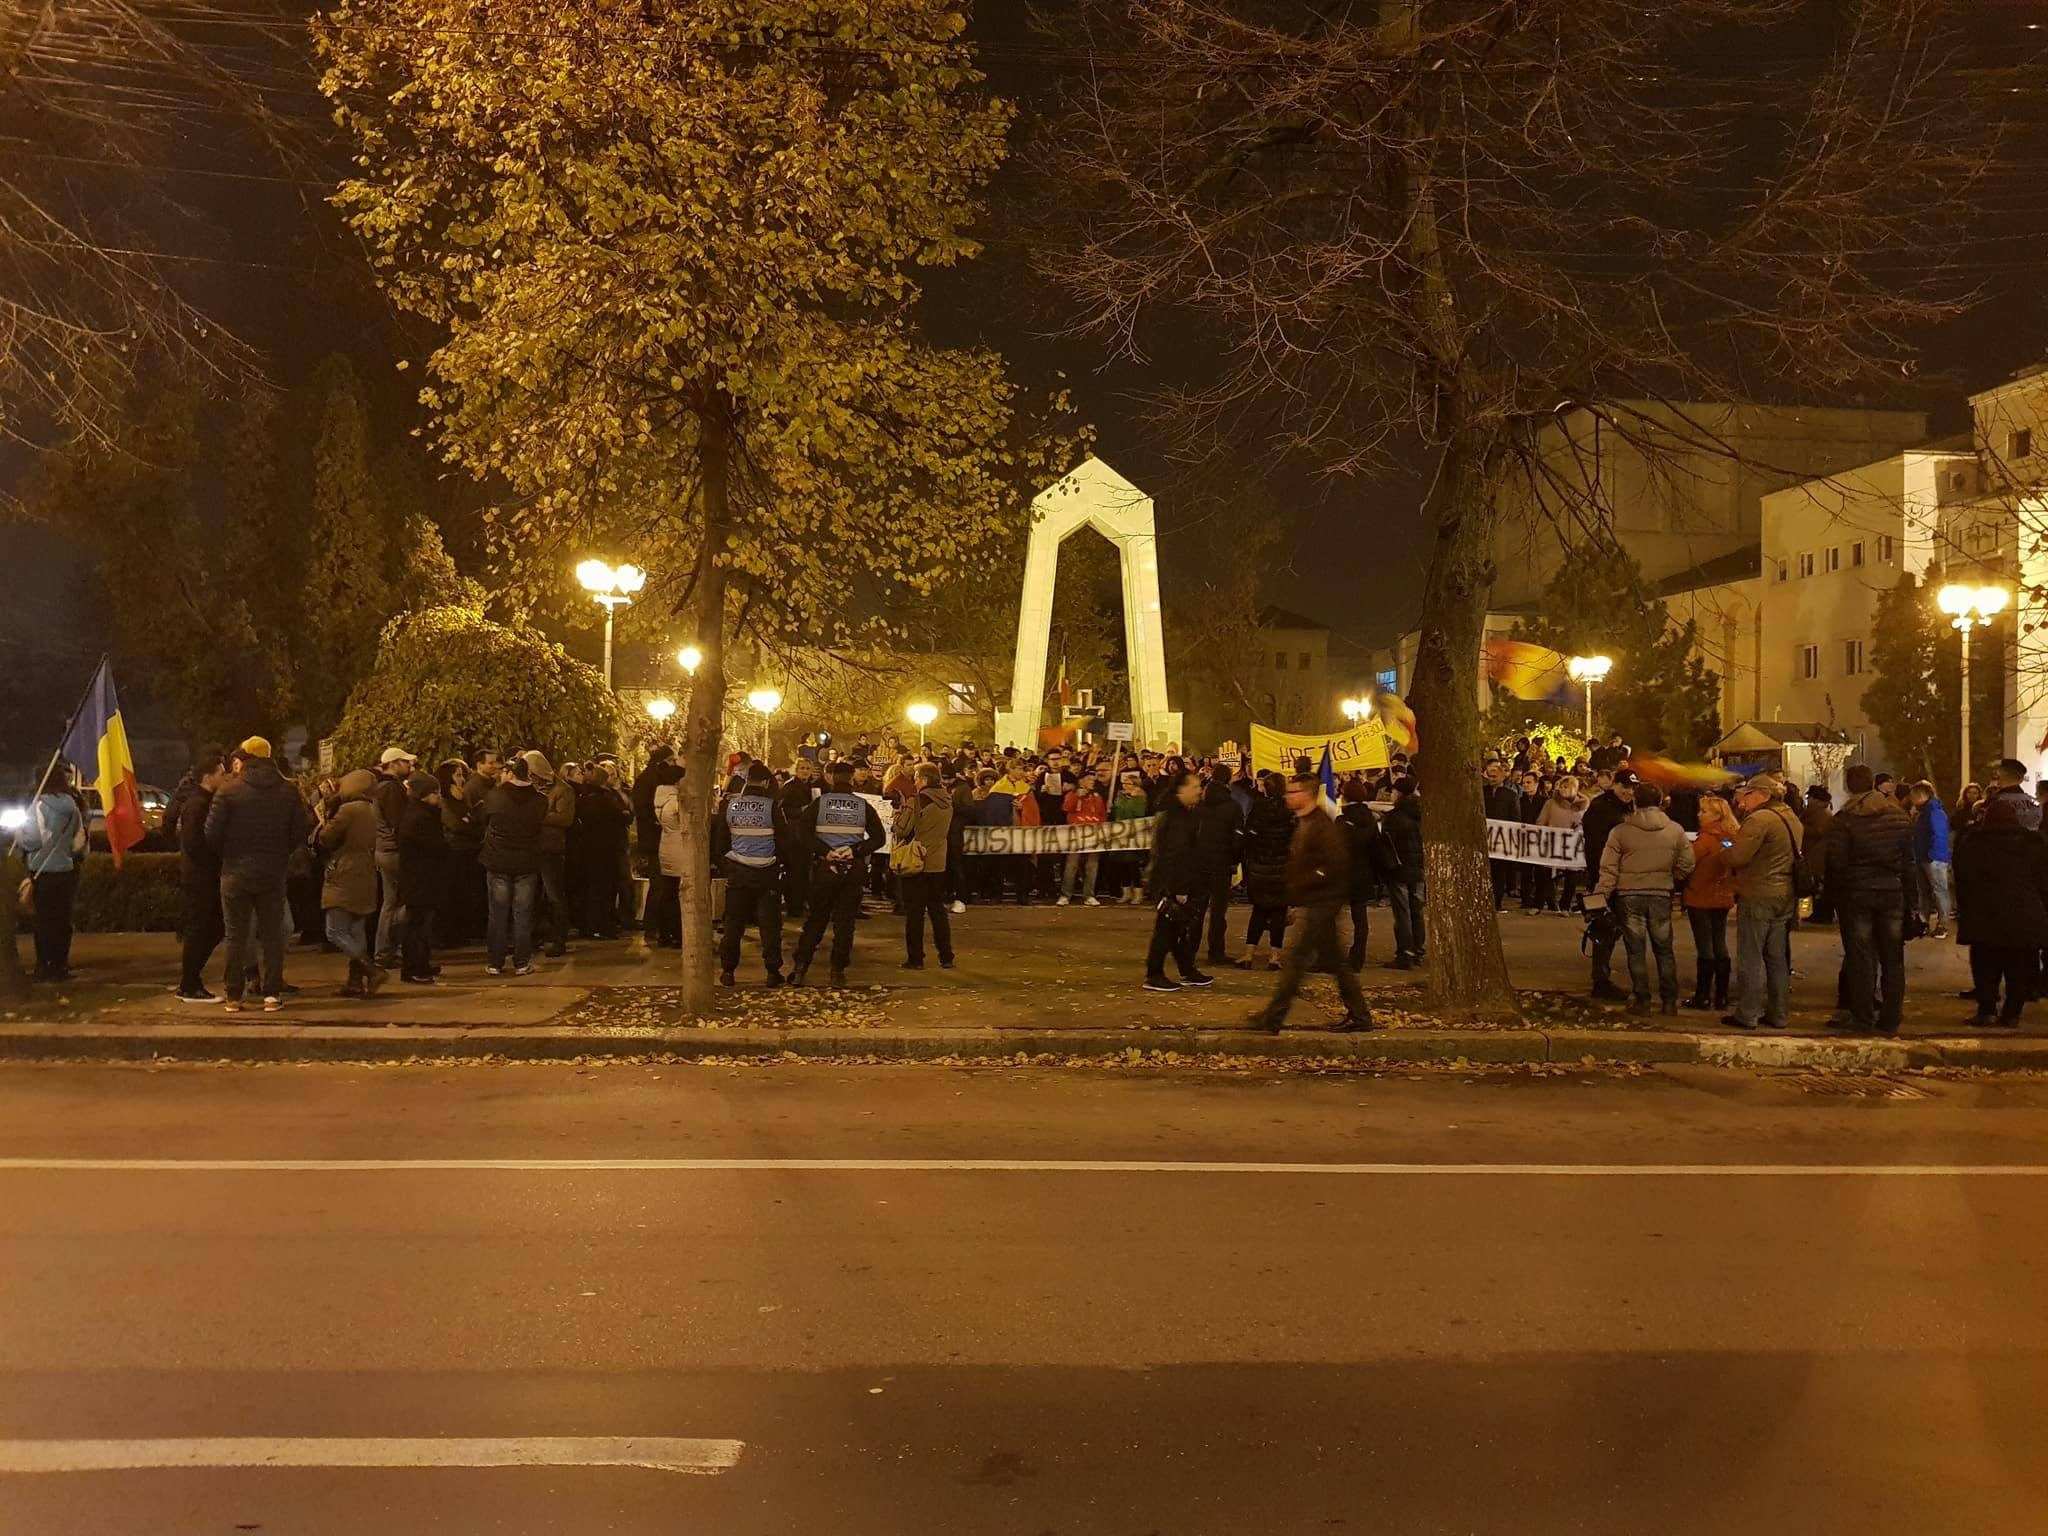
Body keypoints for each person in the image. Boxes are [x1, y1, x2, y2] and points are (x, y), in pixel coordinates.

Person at [1248, 774, 1374, 1032]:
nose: (1288, 796)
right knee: (1335, 965)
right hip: (1315, 901)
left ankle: (1273, 1017)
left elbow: (1333, 865)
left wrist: (1305, 885)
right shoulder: (1305, 823)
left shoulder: (1322, 826)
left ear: (1307, 794)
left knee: (1296, 962)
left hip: (1321, 902)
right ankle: (1359, 1016)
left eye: (1293, 791)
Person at [204, 737, 311, 1013]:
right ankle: (272, 993)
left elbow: (212, 834)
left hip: (235, 872)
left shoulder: (228, 791)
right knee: (273, 934)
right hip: (273, 872)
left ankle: (233, 995)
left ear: (246, 759)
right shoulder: (288, 791)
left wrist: (230, 853)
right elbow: (298, 832)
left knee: (236, 935)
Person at [1827, 763, 1919, 1036]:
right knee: (1893, 958)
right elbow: (1909, 863)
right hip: (1892, 892)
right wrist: (1912, 902)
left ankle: (1863, 1017)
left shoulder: (1845, 819)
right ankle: (1891, 1018)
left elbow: (1837, 863)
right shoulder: (1898, 817)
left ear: (1848, 785)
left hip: (1857, 894)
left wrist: (1835, 896)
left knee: (1860, 957)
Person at [1592, 781, 1695, 1015]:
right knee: (1664, 949)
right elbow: (1687, 862)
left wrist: (1602, 895)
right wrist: (1672, 877)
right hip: (1660, 893)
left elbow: (1608, 868)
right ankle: (1669, 1001)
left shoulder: (1621, 831)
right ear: (1660, 802)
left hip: (1629, 895)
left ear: (1635, 801)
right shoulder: (1675, 830)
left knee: (1635, 949)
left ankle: (1642, 999)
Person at [1953, 791, 2048, 1027]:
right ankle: (2012, 1013)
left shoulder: (1974, 843)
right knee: (2020, 966)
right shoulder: (2032, 844)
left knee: (1985, 964)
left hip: (1984, 914)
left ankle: (1987, 1010)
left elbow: (1963, 878)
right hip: (2023, 915)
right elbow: (2043, 880)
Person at [791, 760, 887, 987]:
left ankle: (800, 969)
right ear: (852, 778)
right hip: (852, 868)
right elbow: (879, 838)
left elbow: (802, 834)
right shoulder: (862, 805)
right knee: (845, 923)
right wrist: (854, 850)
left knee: (816, 920)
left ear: (832, 778)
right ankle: (837, 972)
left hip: (826, 867)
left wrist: (826, 852)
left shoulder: (820, 804)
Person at [1722, 773, 1802, 1031]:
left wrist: (1725, 849)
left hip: (1759, 893)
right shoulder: (1791, 817)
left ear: (1764, 795)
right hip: (1785, 892)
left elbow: (1738, 857)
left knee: (1751, 955)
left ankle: (1748, 1014)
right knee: (1777, 957)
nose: (1744, 800)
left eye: (1749, 794)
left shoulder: (1759, 820)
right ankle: (1779, 1014)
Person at [716, 762, 789, 986]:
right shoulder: (772, 807)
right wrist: (782, 865)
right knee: (769, 925)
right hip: (766, 872)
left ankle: (728, 971)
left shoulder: (731, 806)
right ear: (766, 782)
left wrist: (726, 863)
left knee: (733, 924)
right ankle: (772, 972)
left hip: (738, 871)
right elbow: (784, 841)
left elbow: (720, 840)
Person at [476, 752, 548, 976]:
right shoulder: (540, 801)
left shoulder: (495, 796)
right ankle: (522, 962)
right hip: (527, 862)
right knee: (523, 914)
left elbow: (483, 821)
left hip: (498, 861)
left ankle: (495, 962)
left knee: (497, 914)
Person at [315, 768, 385, 997]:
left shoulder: (348, 810)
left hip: (343, 873)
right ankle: (355, 981)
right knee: (356, 929)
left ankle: (371, 969)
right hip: (365, 872)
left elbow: (326, 838)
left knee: (334, 930)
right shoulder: (371, 808)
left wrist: (321, 821)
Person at [1143, 770, 1212, 992]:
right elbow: (1176, 854)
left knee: (1177, 928)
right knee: (1167, 929)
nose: (1199, 790)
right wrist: (1179, 888)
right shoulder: (1175, 816)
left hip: (1176, 880)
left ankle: (1187, 970)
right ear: (1181, 789)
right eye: (1194, 786)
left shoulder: (1184, 813)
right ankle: (1154, 974)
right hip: (1171, 883)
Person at [19, 762, 87, 984]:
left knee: (43, 921)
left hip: (42, 870)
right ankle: (60, 966)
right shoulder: (72, 806)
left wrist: (19, 835)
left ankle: (43, 967)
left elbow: (33, 840)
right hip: (65, 870)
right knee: (62, 920)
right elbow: (79, 842)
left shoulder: (38, 806)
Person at [174, 751, 232, 1001]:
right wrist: (215, 859)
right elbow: (194, 842)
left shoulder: (205, 800)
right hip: (200, 877)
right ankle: (189, 983)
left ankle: (191, 979)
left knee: (214, 928)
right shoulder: (198, 803)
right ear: (208, 776)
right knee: (201, 929)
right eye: (221, 772)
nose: (225, 776)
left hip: (203, 875)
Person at [1579, 769, 1638, 1001]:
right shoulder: (1601, 807)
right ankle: (1600, 980)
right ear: (1615, 784)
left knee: (1613, 929)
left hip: (1622, 876)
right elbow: (1595, 847)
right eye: (1626, 787)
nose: (1629, 792)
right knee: (1604, 928)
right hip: (1604, 877)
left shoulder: (1627, 808)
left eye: (1633, 788)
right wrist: (1598, 882)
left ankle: (1602, 975)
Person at [1681, 793, 1738, 1011]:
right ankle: (1722, 996)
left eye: (1704, 811)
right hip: (1722, 896)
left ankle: (1703, 995)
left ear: (1716, 815)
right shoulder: (1729, 837)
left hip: (1701, 896)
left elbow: (1687, 863)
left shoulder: (1705, 840)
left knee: (1705, 947)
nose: (1699, 814)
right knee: (1719, 943)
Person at [899, 764, 955, 970]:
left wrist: (897, 816)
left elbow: (902, 829)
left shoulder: (917, 801)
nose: (914, 781)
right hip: (938, 861)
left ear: (923, 779)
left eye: (916, 777)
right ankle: (946, 955)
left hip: (917, 859)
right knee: (937, 910)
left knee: (914, 912)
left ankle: (915, 958)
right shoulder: (947, 801)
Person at [1238, 772, 1293, 971]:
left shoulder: (1258, 809)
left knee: (1259, 911)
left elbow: (1248, 836)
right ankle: (1274, 956)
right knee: (1278, 912)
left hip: (1260, 867)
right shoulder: (1290, 811)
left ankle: (1249, 954)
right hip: (1282, 867)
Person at [398, 770, 446, 984]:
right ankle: (413, 968)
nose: (439, 797)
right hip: (420, 879)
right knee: (417, 926)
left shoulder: (420, 813)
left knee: (422, 925)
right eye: (436, 793)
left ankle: (422, 964)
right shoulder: (420, 818)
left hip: (421, 878)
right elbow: (435, 847)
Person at [574, 763, 631, 940]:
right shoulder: (605, 800)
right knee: (604, 889)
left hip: (587, 848)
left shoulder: (582, 797)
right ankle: (602, 925)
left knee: (590, 888)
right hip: (606, 849)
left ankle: (589, 925)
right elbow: (622, 817)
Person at [370, 746, 415, 970]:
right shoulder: (392, 789)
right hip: (392, 850)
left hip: (384, 849)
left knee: (392, 902)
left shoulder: (381, 787)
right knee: (394, 903)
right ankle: (385, 950)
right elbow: (400, 823)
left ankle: (386, 950)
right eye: (406, 762)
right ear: (394, 763)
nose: (410, 766)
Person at [1339, 798, 1387, 971]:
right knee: (1360, 920)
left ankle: (1327, 957)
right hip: (1363, 874)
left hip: (1342, 874)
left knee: (1330, 917)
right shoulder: (1370, 823)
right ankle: (1357, 958)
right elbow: (1376, 851)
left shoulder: (1342, 822)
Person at [1383, 777, 1426, 967]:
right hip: (1417, 868)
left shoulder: (1394, 817)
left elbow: (1387, 844)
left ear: (1399, 794)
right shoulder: (1421, 813)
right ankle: (1417, 948)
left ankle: (1405, 951)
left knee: (1402, 912)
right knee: (1416, 909)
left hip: (1399, 869)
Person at [537, 753, 577, 956]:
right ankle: (538, 936)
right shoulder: (534, 788)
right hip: (532, 848)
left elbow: (565, 818)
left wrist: (537, 814)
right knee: (535, 897)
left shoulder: (563, 790)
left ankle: (558, 938)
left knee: (555, 895)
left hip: (551, 848)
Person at [646, 761, 687, 948]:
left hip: (666, 845)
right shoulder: (677, 801)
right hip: (680, 847)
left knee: (667, 892)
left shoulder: (660, 798)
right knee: (678, 894)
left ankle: (664, 933)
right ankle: (678, 933)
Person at [1908, 779, 1952, 940]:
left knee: (1939, 890)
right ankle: (1923, 922)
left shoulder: (1933, 812)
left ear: (1921, 795)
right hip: (1923, 856)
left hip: (1933, 858)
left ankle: (1943, 924)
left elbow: (1939, 834)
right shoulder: (1924, 812)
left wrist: (1933, 855)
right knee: (1925, 892)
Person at [1059, 769, 1111, 906]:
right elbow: (1066, 808)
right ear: (1081, 781)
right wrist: (1077, 796)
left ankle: (1089, 895)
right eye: (1089, 779)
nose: (1092, 782)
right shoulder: (1072, 794)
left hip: (1093, 836)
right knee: (1072, 866)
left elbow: (1102, 815)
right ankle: (1065, 894)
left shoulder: (1097, 797)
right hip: (1075, 836)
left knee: (1092, 866)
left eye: (1093, 780)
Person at [1537, 775, 1586, 915]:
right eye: (1561, 786)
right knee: (1544, 875)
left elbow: (1588, 824)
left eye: (1567, 787)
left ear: (1575, 789)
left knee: (1572, 876)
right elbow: (1541, 821)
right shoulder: (1551, 803)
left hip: (1572, 846)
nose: (1563, 790)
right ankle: (1538, 904)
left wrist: (1580, 828)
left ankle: (1565, 906)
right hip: (1552, 844)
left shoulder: (1584, 806)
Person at [777, 756, 818, 919]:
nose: (805, 772)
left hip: (808, 833)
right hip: (793, 834)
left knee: (804, 871)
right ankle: (794, 905)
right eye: (802, 768)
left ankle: (801, 902)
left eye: (808, 768)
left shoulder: (813, 788)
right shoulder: (790, 787)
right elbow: (780, 809)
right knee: (795, 870)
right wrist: (801, 810)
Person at [1480, 760, 1521, 911]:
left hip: (1501, 838)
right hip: (1484, 837)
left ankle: (1497, 901)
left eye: (1495, 776)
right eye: (1490, 776)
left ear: (1503, 776)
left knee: (1499, 872)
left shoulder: (1510, 795)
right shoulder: (1482, 792)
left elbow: (1515, 817)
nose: (1492, 779)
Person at [1110, 768, 1152, 904]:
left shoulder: (1140, 798)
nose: (1125, 787)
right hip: (1121, 834)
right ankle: (1126, 892)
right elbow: (1118, 811)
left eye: (1129, 784)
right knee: (1122, 865)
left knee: (1133, 866)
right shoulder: (1120, 797)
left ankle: (1138, 893)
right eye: (1124, 784)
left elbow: (1137, 812)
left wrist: (1133, 799)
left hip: (1134, 836)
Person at [1799, 784, 1835, 924]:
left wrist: (1802, 829)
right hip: (1815, 852)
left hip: (1817, 853)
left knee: (1818, 885)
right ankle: (1820, 913)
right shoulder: (1817, 811)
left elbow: (1819, 831)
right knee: (1817, 885)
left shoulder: (1819, 813)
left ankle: (1822, 914)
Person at [1986, 758, 2043, 831]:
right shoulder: (2036, 803)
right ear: (2021, 779)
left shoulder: (1996, 802)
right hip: (2030, 841)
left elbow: (1983, 831)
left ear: (2000, 776)